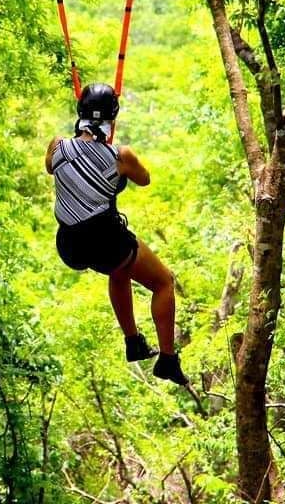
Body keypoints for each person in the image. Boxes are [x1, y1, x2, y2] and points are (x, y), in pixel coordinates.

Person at [45, 83, 188, 385]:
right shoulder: (120, 156)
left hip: (70, 245)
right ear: (113, 117)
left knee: (120, 271)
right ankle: (167, 359)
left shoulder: (57, 147)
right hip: (106, 242)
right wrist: (112, 152)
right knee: (163, 282)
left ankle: (133, 342)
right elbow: (145, 179)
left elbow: (51, 167)